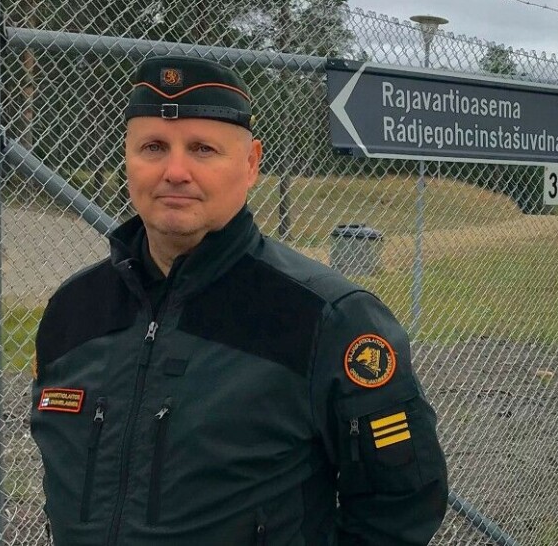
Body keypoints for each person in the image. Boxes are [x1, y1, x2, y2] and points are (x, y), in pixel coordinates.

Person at [30, 55, 449, 546]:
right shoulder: (72, 311)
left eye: (203, 149)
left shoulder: (327, 319)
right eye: (153, 147)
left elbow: (401, 506)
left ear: (251, 163)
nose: (175, 171)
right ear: (127, 157)